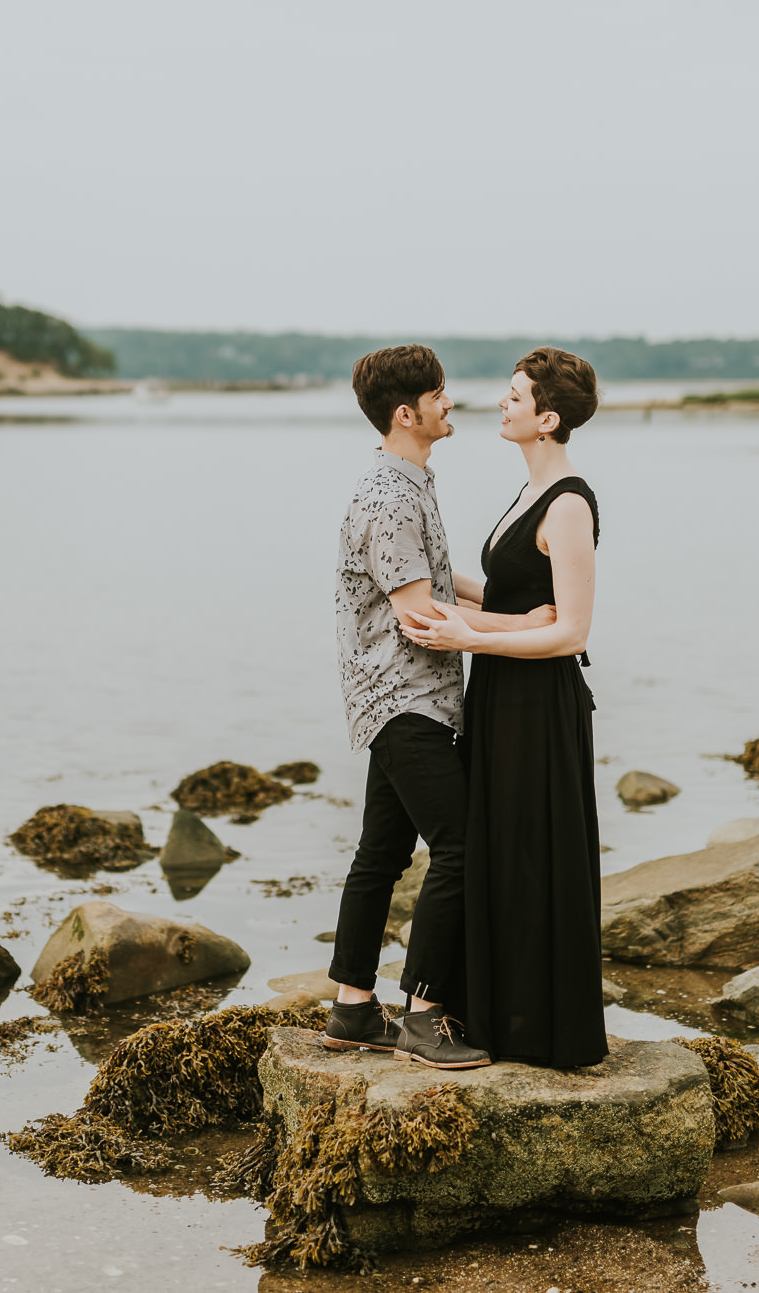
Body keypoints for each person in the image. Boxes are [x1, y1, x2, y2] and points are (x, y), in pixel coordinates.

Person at [324, 344, 559, 1070]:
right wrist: (525, 628)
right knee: (461, 846)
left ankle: (353, 1007)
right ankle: (425, 1015)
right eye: (439, 394)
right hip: (404, 700)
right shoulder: (391, 497)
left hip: (400, 697)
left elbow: (430, 578)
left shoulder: (409, 482)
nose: (451, 401)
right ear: (408, 413)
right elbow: (420, 615)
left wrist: (503, 600)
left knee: (382, 854)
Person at [400, 347, 608, 1070]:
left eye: (516, 396)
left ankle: (540, 1029)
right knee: (498, 849)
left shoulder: (570, 502)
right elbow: (517, 601)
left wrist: (463, 635)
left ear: (548, 419)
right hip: (499, 694)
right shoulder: (526, 495)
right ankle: (490, 1013)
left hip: (539, 705)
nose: (502, 402)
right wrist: (420, 575)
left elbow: (572, 630)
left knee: (530, 855)